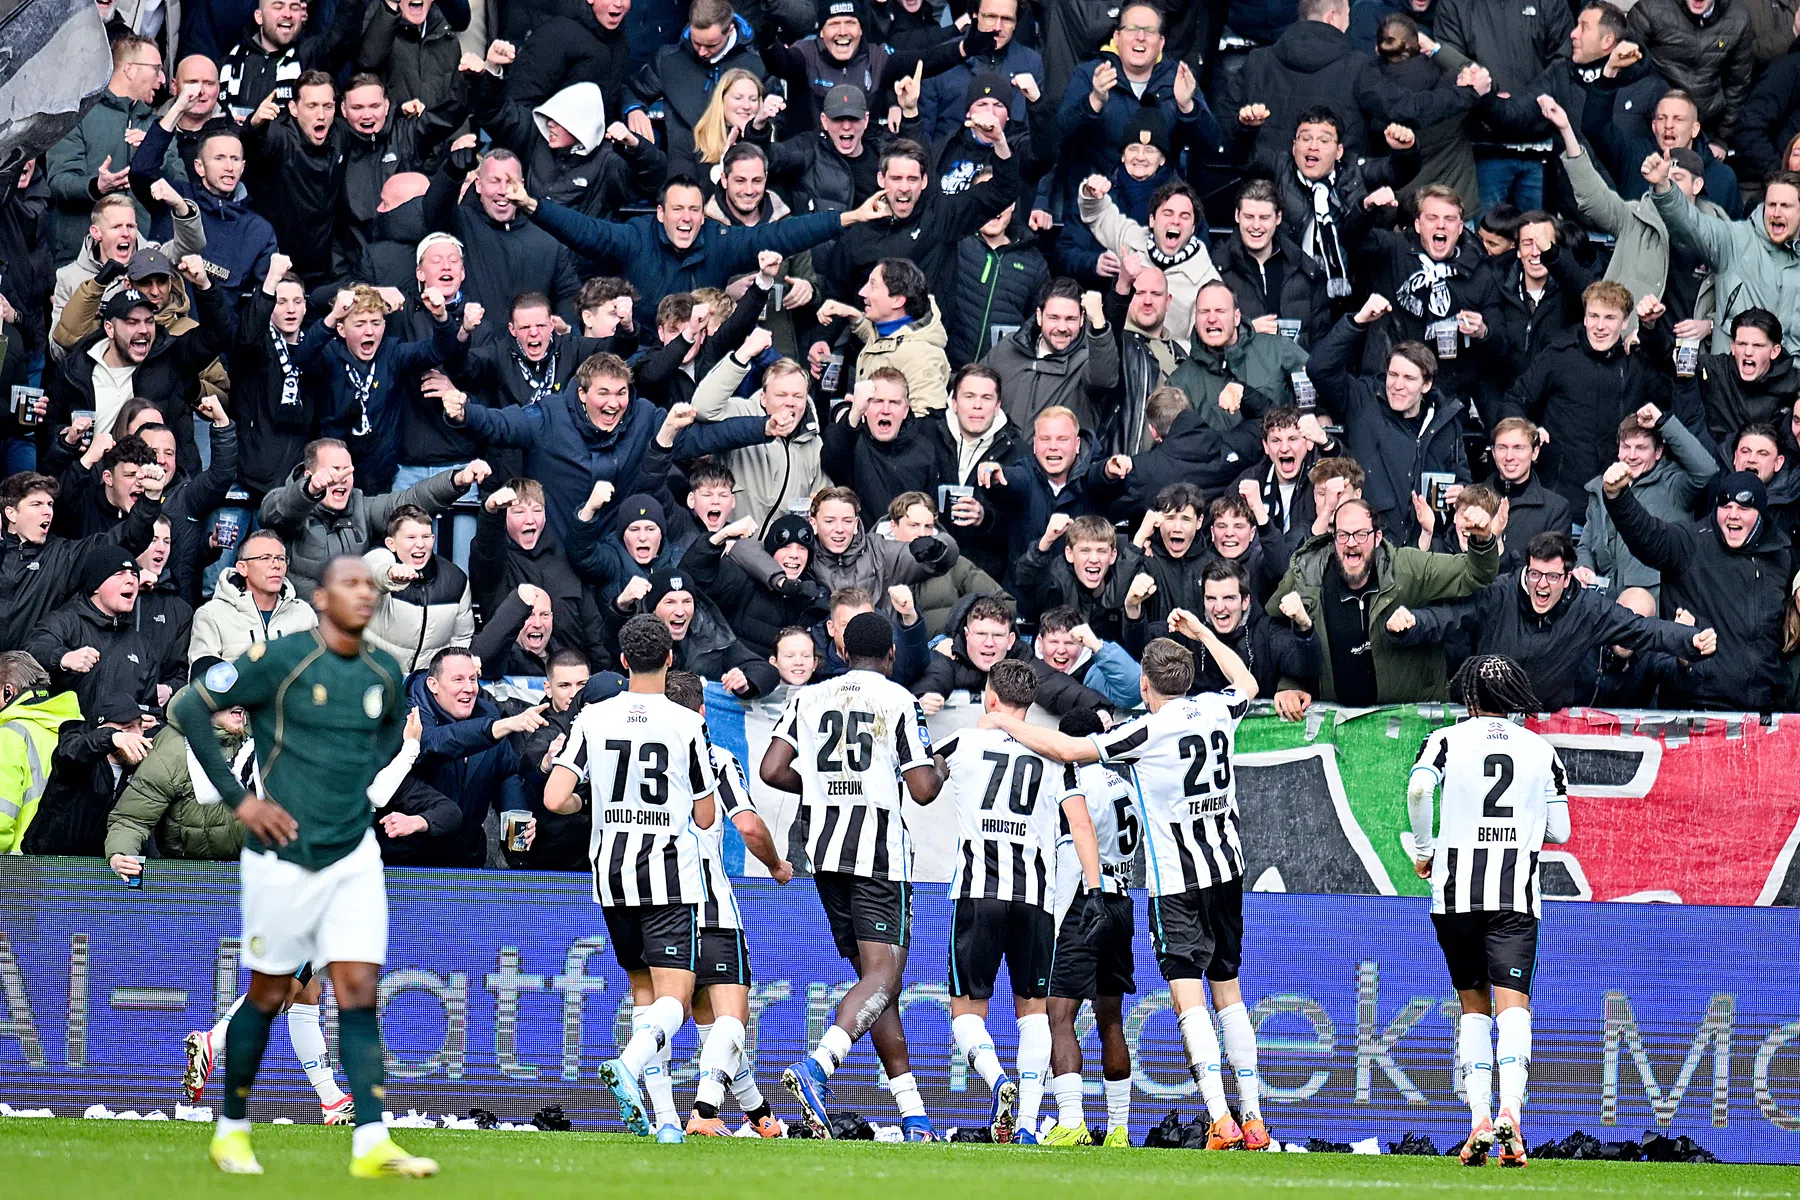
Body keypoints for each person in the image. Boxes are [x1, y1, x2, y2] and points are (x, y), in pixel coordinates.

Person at [170, 555, 434, 1177]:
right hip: (282, 858)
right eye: (350, 583)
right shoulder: (280, 659)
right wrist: (241, 800)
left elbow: (386, 739)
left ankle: (371, 1141)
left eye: (370, 585)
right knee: (269, 993)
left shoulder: (385, 671)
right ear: (320, 598)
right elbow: (188, 706)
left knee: (359, 991)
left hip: (353, 854)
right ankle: (231, 1129)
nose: (364, 593)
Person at [976, 626, 1269, 1151]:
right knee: (1229, 993)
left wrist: (1003, 720)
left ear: (1144, 685)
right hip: (1228, 871)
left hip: (1177, 883)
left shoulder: (1147, 731)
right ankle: (1253, 1118)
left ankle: (1220, 1118)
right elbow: (1247, 681)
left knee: (1188, 997)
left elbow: (1068, 749)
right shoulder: (1219, 709)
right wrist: (1203, 632)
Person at [762, 612, 944, 1141]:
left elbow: (772, 769)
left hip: (825, 852)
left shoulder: (808, 698)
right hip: (879, 855)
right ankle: (818, 1066)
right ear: (891, 655)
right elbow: (923, 789)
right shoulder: (899, 700)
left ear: (842, 653)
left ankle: (913, 1115)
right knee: (884, 978)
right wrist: (942, 766)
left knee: (875, 984)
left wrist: (820, 786)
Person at [926, 659, 1101, 1144]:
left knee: (966, 1013)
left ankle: (997, 1080)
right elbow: (1080, 823)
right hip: (1036, 900)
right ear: (1030, 702)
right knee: (1034, 1012)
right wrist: (1093, 890)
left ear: (990, 696)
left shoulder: (962, 740)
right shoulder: (1054, 755)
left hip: (978, 893)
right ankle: (1025, 1124)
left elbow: (921, 781)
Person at [1407, 654, 1571, 1167]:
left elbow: (1419, 788)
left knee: (1473, 1008)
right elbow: (1561, 831)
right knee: (1513, 1006)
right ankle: (1510, 1114)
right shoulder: (1541, 750)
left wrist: (1425, 848)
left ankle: (1479, 1116)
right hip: (1515, 896)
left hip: (1456, 894)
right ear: (1514, 697)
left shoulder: (1445, 740)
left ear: (1469, 697)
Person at [661, 670, 793, 1139]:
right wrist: (776, 865)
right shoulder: (716, 758)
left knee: (710, 1028)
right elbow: (749, 826)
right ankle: (703, 1111)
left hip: (658, 908)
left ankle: (759, 1115)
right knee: (733, 1020)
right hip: (711, 907)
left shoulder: (642, 762)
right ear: (702, 712)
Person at [1388, 530, 1718, 708]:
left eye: (1551, 577)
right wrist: (1412, 623)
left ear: (1568, 576)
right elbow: (1451, 615)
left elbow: (1642, 629)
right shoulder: (1501, 592)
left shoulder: (1589, 608)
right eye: (1534, 574)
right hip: (1488, 713)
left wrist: (1690, 640)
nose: (1542, 585)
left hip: (1545, 723)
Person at [1268, 497, 1501, 713]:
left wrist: (1483, 540)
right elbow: (1274, 628)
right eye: (1343, 535)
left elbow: (1476, 574)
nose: (1351, 543)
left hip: (1408, 720)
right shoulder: (1307, 574)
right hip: (1334, 724)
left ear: (1377, 537)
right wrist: (1291, 682)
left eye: (1361, 534)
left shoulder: (1407, 567)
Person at [1601, 465, 1792, 710]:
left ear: (1760, 514)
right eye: (1725, 506)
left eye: (1744, 508)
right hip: (1697, 704)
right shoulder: (1691, 542)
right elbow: (1647, 535)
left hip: (1761, 710)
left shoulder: (1780, 557)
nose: (1733, 515)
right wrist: (1619, 497)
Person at [1545, 95, 1723, 343]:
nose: (1669, 185)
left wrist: (1710, 324)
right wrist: (1566, 130)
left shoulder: (1717, 232)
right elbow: (1593, 195)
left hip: (1689, 352)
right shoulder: (1635, 217)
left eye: (1677, 179)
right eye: (1665, 179)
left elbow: (1736, 296)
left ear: (1697, 185)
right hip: (1633, 345)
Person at [1039, 706, 1138, 1146]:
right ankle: (1118, 1129)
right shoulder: (1124, 784)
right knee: (1110, 1019)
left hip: (1087, 902)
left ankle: (1072, 1121)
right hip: (1122, 902)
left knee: (1059, 1014)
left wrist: (1058, 919)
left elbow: (1074, 849)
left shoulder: (1073, 782)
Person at [1310, 296, 1470, 546]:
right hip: (1371, 545)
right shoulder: (1363, 399)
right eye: (1393, 375)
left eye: (1409, 378)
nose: (1397, 385)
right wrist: (1358, 321)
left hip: (1427, 549)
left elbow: (1462, 480)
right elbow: (1319, 368)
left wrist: (1462, 493)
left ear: (1426, 385)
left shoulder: (1446, 420)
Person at [259, 438, 477, 597]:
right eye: (334, 470)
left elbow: (408, 499)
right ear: (309, 475)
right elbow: (278, 514)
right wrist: (310, 489)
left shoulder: (360, 506)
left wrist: (456, 481)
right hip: (303, 625)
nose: (341, 478)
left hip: (350, 625)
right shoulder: (283, 501)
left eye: (347, 471)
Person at [1645, 152, 1800, 356]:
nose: (1776, 213)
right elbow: (1690, 223)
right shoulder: (1734, 240)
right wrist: (1664, 187)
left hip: (1790, 374)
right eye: (1771, 205)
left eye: (1785, 206)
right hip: (1731, 373)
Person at [1576, 407, 1718, 600]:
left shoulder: (1674, 485)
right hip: (1605, 600)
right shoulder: (1602, 488)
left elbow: (1706, 470)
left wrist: (1663, 423)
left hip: (1656, 604)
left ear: (1658, 452)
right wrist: (1584, 567)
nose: (1632, 455)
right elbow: (1585, 545)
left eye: (1641, 448)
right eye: (1626, 447)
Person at [984, 280, 1119, 438]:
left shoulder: (1088, 360)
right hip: (1002, 452)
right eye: (1054, 318)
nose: (1062, 328)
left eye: (1070, 319)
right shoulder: (1009, 346)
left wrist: (1098, 323)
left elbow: (1104, 379)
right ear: (1039, 316)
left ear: (1082, 319)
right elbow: (974, 387)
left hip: (1060, 454)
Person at [362, 505, 475, 673]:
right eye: (411, 537)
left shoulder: (455, 579)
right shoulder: (381, 560)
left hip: (425, 681)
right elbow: (374, 569)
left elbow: (461, 638)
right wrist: (391, 574)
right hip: (376, 674)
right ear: (391, 544)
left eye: (426, 536)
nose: (420, 544)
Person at [0, 652, 79, 854]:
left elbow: (2, 816)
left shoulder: (10, 734)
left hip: (16, 865)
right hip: (66, 863)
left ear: (8, 691)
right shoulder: (75, 729)